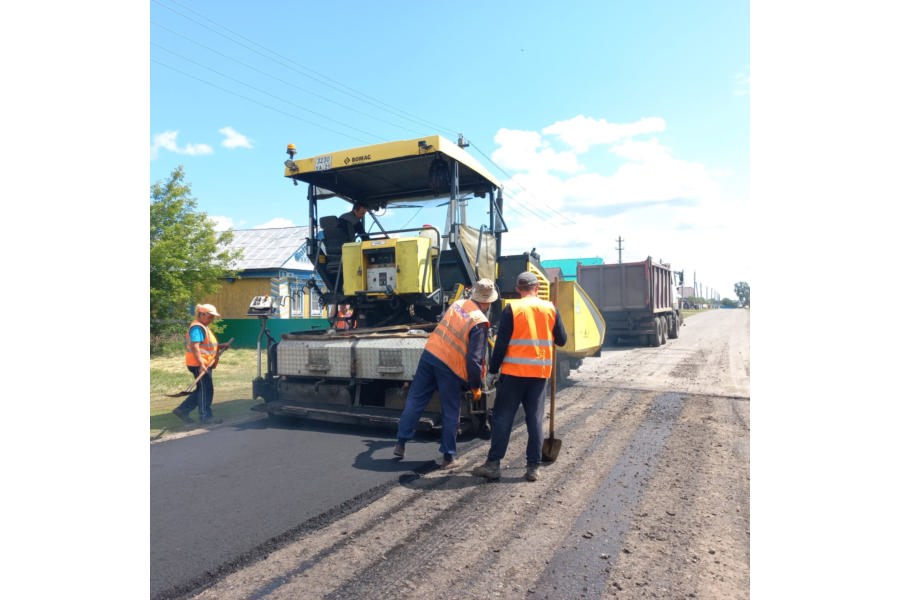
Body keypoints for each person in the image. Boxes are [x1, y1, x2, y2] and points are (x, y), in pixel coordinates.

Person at [472, 271, 567, 482]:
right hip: (539, 376)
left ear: (518, 289)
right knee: (534, 420)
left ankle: (494, 465)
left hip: (513, 375)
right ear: (536, 288)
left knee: (503, 419)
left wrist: (492, 372)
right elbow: (562, 340)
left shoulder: (512, 309)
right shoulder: (550, 309)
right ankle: (533, 467)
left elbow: (501, 344)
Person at [394, 278, 498, 469]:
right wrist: (475, 386)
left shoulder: (457, 304)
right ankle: (448, 457)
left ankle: (400, 443)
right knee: (451, 409)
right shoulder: (480, 322)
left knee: (415, 400)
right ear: (487, 302)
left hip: (430, 354)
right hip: (449, 367)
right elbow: (474, 361)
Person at [172, 304, 231, 426]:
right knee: (206, 390)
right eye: (210, 316)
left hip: (203, 363)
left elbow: (206, 345)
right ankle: (205, 417)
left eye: (213, 317)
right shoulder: (197, 328)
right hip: (199, 364)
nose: (211, 319)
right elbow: (195, 346)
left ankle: (182, 410)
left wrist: (220, 346)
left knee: (202, 390)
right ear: (202, 314)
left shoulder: (203, 327)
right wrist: (201, 364)